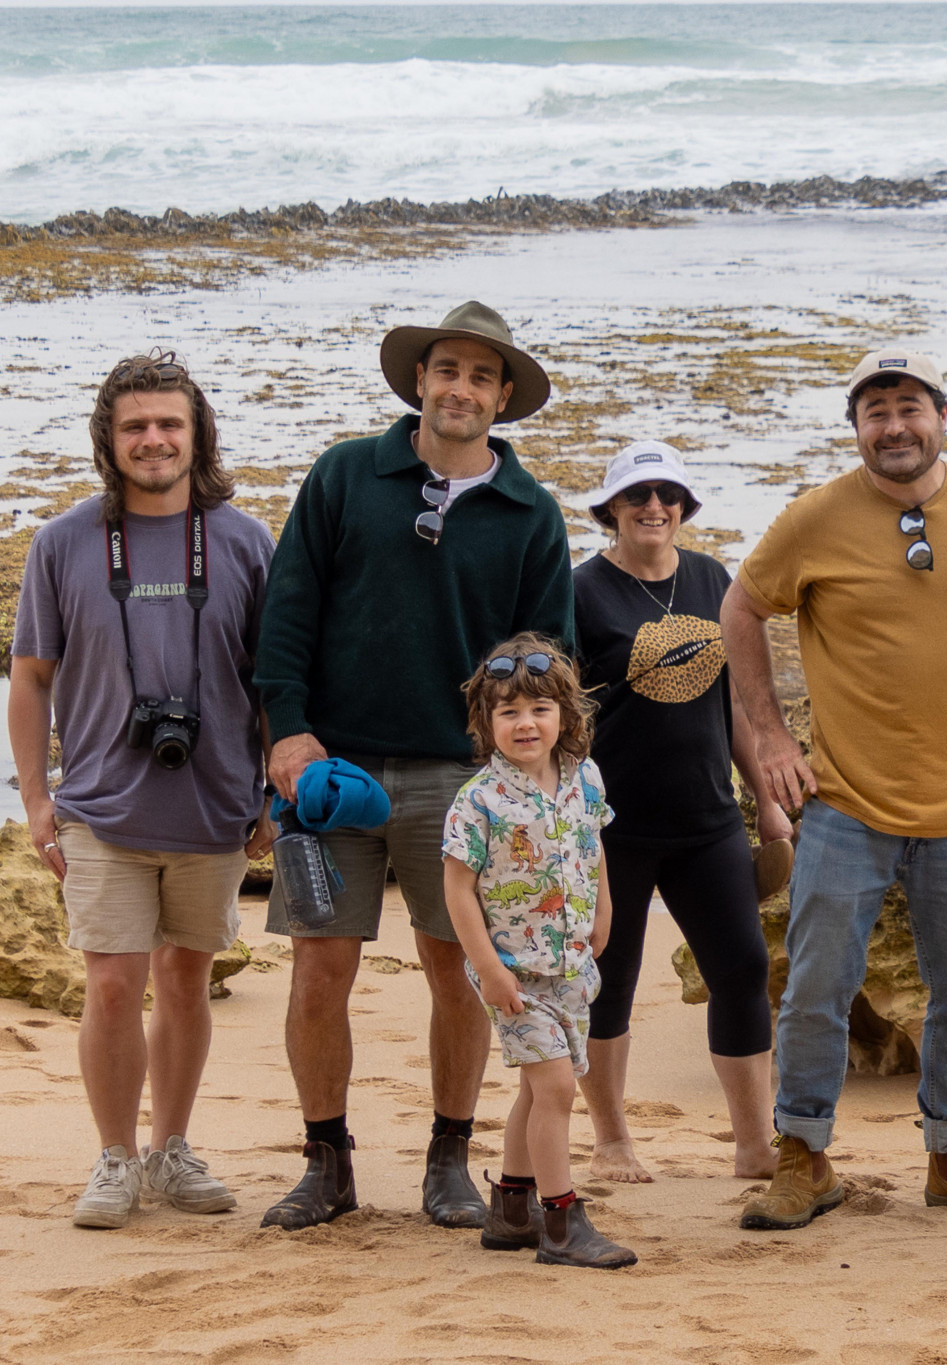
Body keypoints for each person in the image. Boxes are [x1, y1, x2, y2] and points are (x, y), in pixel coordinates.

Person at [722, 348, 947, 1230]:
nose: (894, 425)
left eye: (909, 406)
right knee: (814, 987)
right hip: (844, 803)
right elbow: (741, 610)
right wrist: (768, 734)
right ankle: (803, 1155)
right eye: (875, 410)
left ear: (941, 416)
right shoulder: (813, 519)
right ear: (856, 428)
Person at [253, 301, 576, 1231]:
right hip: (330, 774)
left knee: (462, 969)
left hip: (464, 782)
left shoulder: (530, 513)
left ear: (503, 397)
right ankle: (326, 1161)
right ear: (420, 382)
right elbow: (288, 609)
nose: (461, 388)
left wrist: (525, 775)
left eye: (482, 375)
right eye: (447, 369)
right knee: (319, 968)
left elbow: (547, 659)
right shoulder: (347, 474)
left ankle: (450, 1158)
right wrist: (287, 728)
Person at [11, 351, 275, 1230]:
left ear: (197, 432)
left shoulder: (243, 539)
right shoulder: (63, 541)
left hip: (213, 804)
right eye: (135, 426)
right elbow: (31, 677)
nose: (154, 439)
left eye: (170, 423)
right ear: (108, 439)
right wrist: (34, 796)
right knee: (114, 983)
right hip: (98, 804)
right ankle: (115, 1156)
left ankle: (173, 1147)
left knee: (188, 978)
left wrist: (275, 790)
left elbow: (273, 676)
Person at [572, 441, 788, 1183]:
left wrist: (765, 800)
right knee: (610, 978)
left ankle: (754, 1141)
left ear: (685, 506)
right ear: (611, 508)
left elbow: (731, 699)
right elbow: (562, 716)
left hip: (709, 820)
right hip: (613, 828)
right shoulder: (581, 591)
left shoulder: (711, 577)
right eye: (637, 495)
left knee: (743, 969)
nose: (653, 506)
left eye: (667, 494)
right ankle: (610, 1139)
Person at [442, 634, 633, 1269]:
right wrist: (490, 971)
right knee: (555, 1089)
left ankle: (511, 1209)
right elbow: (459, 891)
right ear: (485, 721)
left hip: (573, 965)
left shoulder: (586, 777)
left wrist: (604, 909)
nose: (525, 723)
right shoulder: (479, 801)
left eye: (539, 709)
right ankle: (561, 1222)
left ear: (565, 715)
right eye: (508, 712)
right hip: (514, 974)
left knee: (537, 1089)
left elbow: (595, 844)